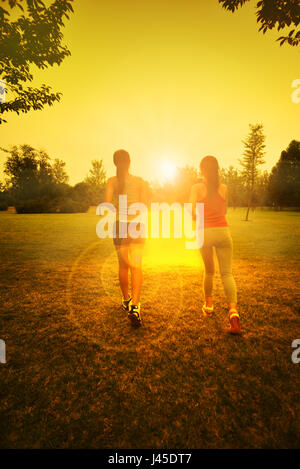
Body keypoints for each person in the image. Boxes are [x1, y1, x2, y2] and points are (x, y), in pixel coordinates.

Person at [189, 155, 241, 334]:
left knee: (209, 271)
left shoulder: (197, 188)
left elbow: (191, 211)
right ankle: (233, 313)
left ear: (202, 170)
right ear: (217, 169)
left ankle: (209, 306)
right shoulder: (224, 188)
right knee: (227, 273)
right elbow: (224, 211)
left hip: (205, 233)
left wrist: (199, 216)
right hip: (223, 232)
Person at [105, 150, 147, 326]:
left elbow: (107, 204)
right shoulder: (139, 181)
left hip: (120, 225)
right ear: (129, 162)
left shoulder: (112, 181)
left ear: (115, 163)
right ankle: (136, 307)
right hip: (136, 225)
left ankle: (126, 301)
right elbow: (144, 206)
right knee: (136, 266)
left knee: (123, 265)